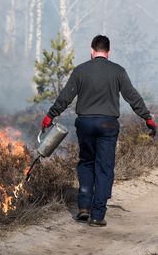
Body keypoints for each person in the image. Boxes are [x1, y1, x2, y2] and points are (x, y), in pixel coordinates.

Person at [41, 35, 156, 227]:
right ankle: (97, 215)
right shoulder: (118, 71)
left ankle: (83, 208)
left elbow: (65, 97)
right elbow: (132, 97)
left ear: (92, 50)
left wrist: (49, 116)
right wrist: (148, 118)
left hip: (85, 123)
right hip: (108, 125)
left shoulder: (80, 70)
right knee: (104, 167)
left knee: (86, 162)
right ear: (108, 52)